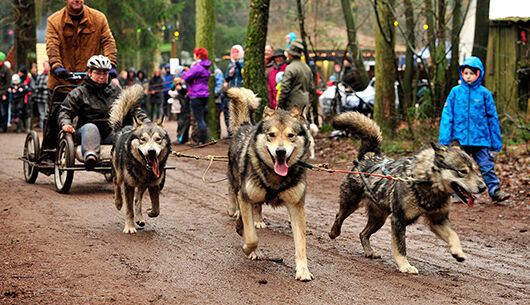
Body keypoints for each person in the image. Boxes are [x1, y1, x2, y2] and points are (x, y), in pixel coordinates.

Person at [43, 0, 117, 155]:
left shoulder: (98, 18)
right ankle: (50, 152)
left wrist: (111, 65)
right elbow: (52, 46)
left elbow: (108, 42)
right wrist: (56, 66)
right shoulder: (54, 20)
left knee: (99, 116)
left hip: (90, 83)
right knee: (56, 117)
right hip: (62, 81)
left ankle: (97, 147)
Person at [439, 56, 510, 204]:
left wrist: (495, 141)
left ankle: (495, 191)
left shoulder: (485, 94)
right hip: (460, 140)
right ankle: (456, 193)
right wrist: (445, 140)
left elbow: (492, 118)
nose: (468, 76)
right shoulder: (455, 92)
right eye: (466, 73)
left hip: (481, 139)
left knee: (486, 166)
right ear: (461, 74)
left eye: (472, 73)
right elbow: (447, 116)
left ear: (478, 74)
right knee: (459, 168)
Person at [57, 55, 148, 169]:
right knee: (91, 127)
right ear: (90, 73)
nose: (102, 76)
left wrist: (147, 123)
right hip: (85, 133)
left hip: (109, 133)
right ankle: (91, 157)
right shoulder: (79, 93)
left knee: (126, 130)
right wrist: (66, 124)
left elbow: (133, 109)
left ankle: (129, 159)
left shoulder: (116, 91)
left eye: (105, 73)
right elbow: (65, 110)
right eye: (98, 73)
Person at [182, 47, 211, 147]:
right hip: (204, 95)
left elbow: (187, 77)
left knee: (199, 120)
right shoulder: (205, 66)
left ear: (198, 56)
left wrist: (183, 72)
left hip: (196, 95)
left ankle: (202, 141)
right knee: (201, 118)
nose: (193, 56)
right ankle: (204, 139)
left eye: (195, 54)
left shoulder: (198, 66)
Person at [277, 41, 313, 111]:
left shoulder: (290, 68)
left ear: (290, 54)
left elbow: (285, 88)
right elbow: (311, 88)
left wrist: (279, 104)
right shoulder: (307, 68)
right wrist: (309, 101)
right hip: (305, 104)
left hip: (292, 106)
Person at [169, 76, 190, 145]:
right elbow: (171, 89)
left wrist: (180, 89)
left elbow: (180, 94)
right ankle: (181, 138)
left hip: (182, 108)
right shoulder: (175, 86)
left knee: (182, 123)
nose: (176, 82)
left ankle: (181, 138)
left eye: (177, 81)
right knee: (180, 123)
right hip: (177, 108)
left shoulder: (183, 86)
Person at [33, 60, 50, 130]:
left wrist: (42, 88)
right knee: (41, 113)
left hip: (46, 97)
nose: (45, 66)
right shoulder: (40, 75)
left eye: (47, 65)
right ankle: (42, 128)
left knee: (46, 113)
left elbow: (48, 86)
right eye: (45, 65)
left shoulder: (50, 75)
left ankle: (46, 128)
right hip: (39, 97)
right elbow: (36, 85)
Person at [0, 51, 12, 133]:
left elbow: (8, 83)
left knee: (3, 111)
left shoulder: (6, 69)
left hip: (3, 94)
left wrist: (4, 93)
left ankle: (3, 127)